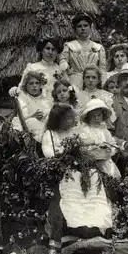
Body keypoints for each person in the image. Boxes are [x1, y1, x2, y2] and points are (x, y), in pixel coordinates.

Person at [42, 104, 112, 243]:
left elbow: (85, 147)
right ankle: (78, 224)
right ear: (58, 120)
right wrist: (68, 150)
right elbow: (49, 154)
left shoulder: (74, 132)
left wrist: (91, 145)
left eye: (71, 117)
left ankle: (95, 222)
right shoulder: (50, 134)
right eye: (67, 118)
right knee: (73, 183)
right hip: (63, 170)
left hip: (79, 167)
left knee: (93, 176)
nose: (71, 121)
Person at [59, 13, 107, 89]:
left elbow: (102, 70)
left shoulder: (98, 47)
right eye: (79, 26)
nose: (83, 28)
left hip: (93, 83)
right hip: (74, 83)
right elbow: (63, 67)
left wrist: (101, 85)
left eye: (85, 25)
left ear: (90, 28)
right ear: (75, 29)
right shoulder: (69, 46)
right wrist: (67, 84)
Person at [79, 99, 120, 178]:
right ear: (88, 117)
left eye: (99, 115)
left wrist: (109, 149)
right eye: (93, 116)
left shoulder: (104, 130)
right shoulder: (85, 130)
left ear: (103, 116)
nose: (97, 118)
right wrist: (93, 148)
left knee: (112, 177)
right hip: (91, 164)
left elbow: (112, 144)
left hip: (106, 162)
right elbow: (82, 146)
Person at [12, 71, 52, 142]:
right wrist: (33, 115)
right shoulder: (23, 97)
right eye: (31, 83)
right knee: (27, 121)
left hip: (47, 124)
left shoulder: (46, 96)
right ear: (26, 85)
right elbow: (21, 118)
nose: (34, 86)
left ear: (40, 85)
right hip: (31, 125)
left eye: (37, 83)